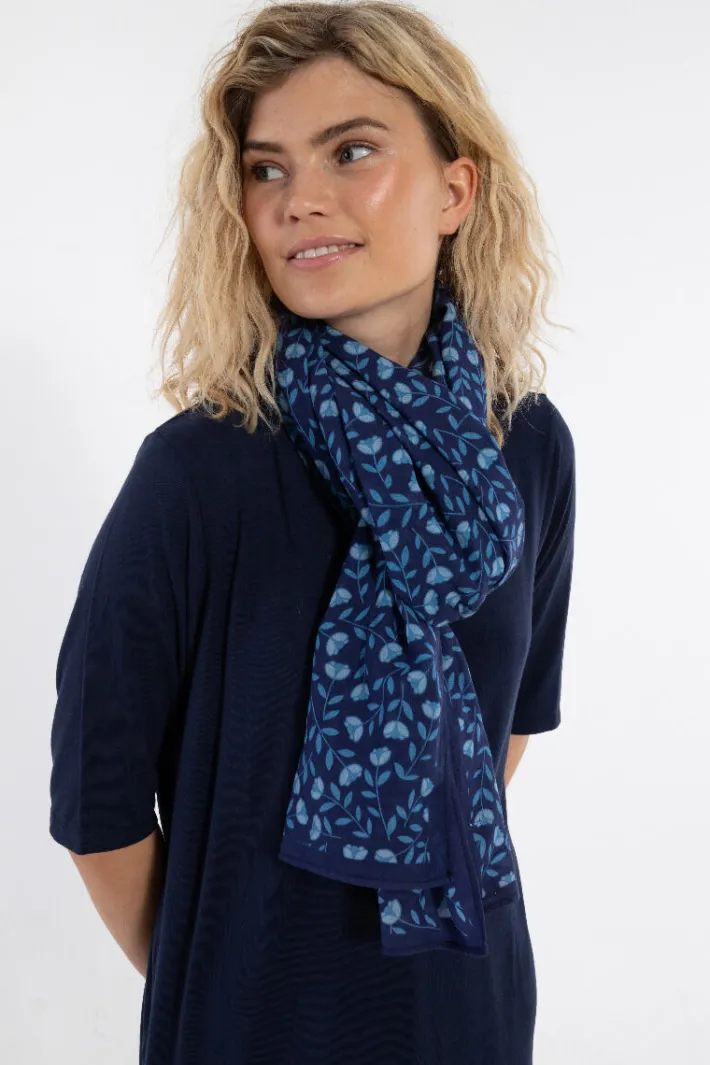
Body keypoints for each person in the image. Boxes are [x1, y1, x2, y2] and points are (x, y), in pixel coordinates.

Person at [48, 2, 576, 1062]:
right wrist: (222, 975)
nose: (301, 199)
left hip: (468, 1004)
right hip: (250, 1026)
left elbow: (507, 719)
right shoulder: (200, 470)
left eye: (352, 151)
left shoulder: (524, 446)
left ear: (455, 191)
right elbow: (97, 799)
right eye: (267, 169)